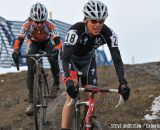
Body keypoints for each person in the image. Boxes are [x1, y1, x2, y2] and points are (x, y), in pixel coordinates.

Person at [59, 0, 130, 129]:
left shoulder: (109, 34)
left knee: (89, 94)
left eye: (101, 21)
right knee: (71, 99)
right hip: (70, 60)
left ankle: (88, 123)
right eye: (94, 21)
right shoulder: (75, 31)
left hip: (88, 61)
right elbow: (65, 58)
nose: (97, 25)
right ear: (86, 19)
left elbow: (117, 59)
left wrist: (123, 82)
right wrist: (68, 80)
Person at [12, 3, 62, 116]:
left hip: (47, 43)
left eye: (42, 22)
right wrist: (15, 50)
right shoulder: (27, 25)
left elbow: (59, 42)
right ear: (32, 19)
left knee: (53, 58)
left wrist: (57, 49)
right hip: (33, 43)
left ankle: (56, 84)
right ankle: (31, 102)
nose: (39, 25)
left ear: (46, 20)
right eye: (37, 22)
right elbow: (19, 40)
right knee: (30, 69)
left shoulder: (50, 25)